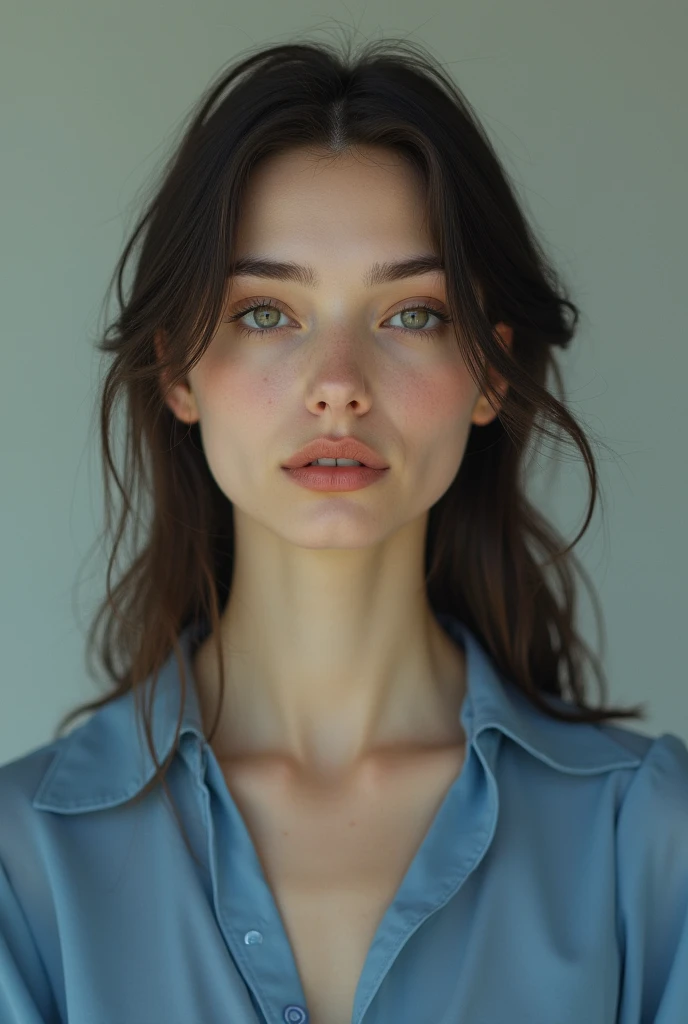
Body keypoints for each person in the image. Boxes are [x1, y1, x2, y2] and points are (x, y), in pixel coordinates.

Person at [1, 32, 686, 1024]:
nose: (337, 386)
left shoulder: (648, 845)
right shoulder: (26, 873)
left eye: (409, 313)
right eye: (266, 313)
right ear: (178, 370)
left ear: (491, 373)